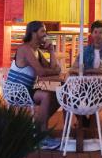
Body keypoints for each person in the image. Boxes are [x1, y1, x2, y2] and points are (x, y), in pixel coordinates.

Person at [5, 20, 63, 149]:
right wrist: (54, 70)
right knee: (46, 96)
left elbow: (54, 68)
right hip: (16, 90)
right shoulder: (25, 49)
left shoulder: (37, 52)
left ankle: (38, 129)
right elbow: (42, 72)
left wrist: (51, 50)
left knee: (58, 96)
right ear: (33, 32)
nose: (45, 34)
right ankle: (41, 136)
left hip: (27, 89)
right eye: (42, 31)